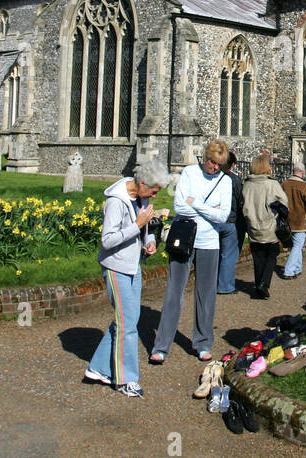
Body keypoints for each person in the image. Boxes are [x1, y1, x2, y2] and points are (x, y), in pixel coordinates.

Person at [85, 160, 168, 398]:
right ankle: (124, 379)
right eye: (153, 191)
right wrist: (137, 226)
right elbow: (108, 240)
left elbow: (144, 228)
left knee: (129, 319)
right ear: (142, 183)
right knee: (127, 324)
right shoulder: (116, 201)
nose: (154, 195)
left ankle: (98, 368)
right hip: (116, 266)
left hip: (133, 265)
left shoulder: (142, 198)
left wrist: (148, 240)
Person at [150, 140, 232, 364]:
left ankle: (203, 343)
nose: (214, 167)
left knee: (205, 294)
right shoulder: (188, 173)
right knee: (173, 292)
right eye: (212, 162)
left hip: (209, 242)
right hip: (185, 239)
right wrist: (208, 210)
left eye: (219, 165)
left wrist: (195, 204)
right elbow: (180, 207)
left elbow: (223, 216)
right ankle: (162, 346)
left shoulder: (225, 182)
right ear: (205, 156)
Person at [242, 154, 288, 299]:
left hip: (253, 226)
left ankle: (258, 286)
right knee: (271, 255)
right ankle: (264, 284)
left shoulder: (247, 184)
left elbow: (243, 205)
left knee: (258, 257)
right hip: (269, 225)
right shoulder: (272, 184)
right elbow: (284, 203)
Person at [215, 150, 245, 295]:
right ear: (232, 164)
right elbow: (241, 200)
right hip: (230, 221)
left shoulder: (210, 178)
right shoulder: (235, 180)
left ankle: (209, 283)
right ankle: (225, 286)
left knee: (214, 253)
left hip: (213, 220)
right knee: (228, 255)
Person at [281, 163, 306, 279]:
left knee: (296, 245)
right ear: (303, 172)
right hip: (299, 221)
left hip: (287, 220)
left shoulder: (284, 184)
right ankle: (289, 271)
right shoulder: (304, 186)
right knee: (297, 246)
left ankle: (297, 268)